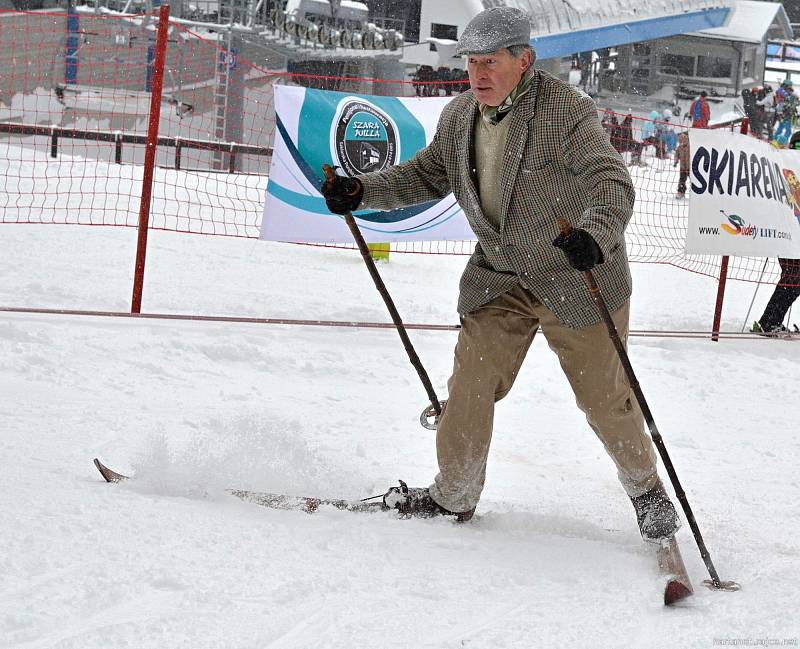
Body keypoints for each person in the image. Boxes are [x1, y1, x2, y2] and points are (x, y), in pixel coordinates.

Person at [320, 6, 680, 542]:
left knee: (603, 396)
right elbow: (428, 174)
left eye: (491, 62)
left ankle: (647, 490)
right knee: (471, 382)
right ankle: (454, 494)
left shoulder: (566, 112)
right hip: (501, 277)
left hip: (574, 276)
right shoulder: (461, 114)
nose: (479, 74)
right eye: (471, 63)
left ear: (524, 60)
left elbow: (613, 184)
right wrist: (363, 191)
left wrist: (594, 235)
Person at [752, 258, 800, 335]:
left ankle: (767, 323)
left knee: (791, 282)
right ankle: (771, 325)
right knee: (792, 283)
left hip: (790, 252)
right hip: (791, 252)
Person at [673, 131, 690, 199]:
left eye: (683, 140)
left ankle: (695, 192)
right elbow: (676, 155)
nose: (682, 142)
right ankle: (681, 191)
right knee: (682, 180)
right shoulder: (679, 148)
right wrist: (676, 161)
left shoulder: (690, 147)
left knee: (694, 180)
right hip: (683, 167)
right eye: (680, 141)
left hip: (690, 167)